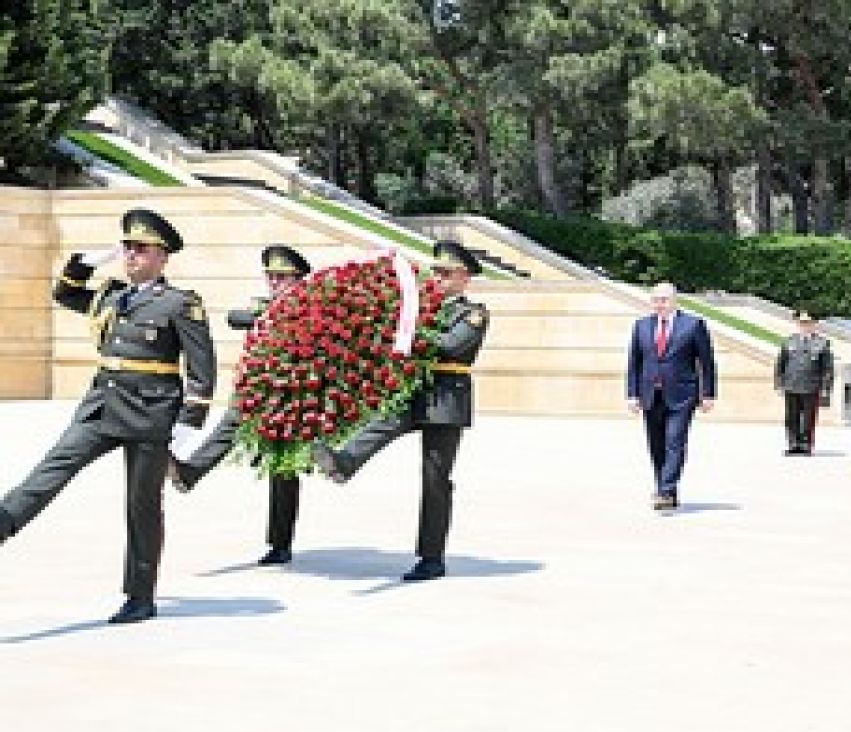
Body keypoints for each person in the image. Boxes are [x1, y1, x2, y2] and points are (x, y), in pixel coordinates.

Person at [0, 209, 215, 624]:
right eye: (128, 248)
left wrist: (188, 428)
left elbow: (202, 373)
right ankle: (6, 520)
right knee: (55, 465)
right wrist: (90, 259)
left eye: (141, 249)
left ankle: (140, 595)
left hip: (150, 414)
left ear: (162, 256)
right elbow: (65, 293)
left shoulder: (180, 304)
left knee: (141, 506)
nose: (132, 255)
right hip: (103, 404)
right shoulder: (112, 295)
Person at [311, 241, 487, 582]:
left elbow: (452, 345)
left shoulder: (473, 313)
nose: (438, 277)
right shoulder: (422, 307)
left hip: (447, 397)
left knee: (435, 478)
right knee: (382, 423)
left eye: (446, 273)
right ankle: (344, 462)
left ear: (464, 277)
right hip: (416, 389)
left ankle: (431, 556)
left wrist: (411, 328)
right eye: (436, 271)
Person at [168, 245, 311, 565]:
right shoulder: (264, 307)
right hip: (253, 389)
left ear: (299, 281)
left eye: (282, 278)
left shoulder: (311, 310)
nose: (274, 283)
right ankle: (189, 472)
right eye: (271, 277)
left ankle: (280, 542)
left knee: (282, 467)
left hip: (290, 396)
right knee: (226, 429)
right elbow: (236, 317)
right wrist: (269, 312)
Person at [625, 282, 717, 510]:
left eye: (664, 300)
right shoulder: (641, 326)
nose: (660, 304)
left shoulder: (693, 325)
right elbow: (634, 362)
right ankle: (667, 489)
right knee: (656, 445)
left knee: (674, 442)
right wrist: (632, 393)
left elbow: (706, 362)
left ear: (675, 300)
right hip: (650, 394)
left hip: (682, 395)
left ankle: (665, 490)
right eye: (656, 299)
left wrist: (708, 393)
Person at [774, 310, 833, 456]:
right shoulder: (789, 341)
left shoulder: (822, 343)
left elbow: (827, 368)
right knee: (791, 417)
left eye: (807, 323)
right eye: (801, 323)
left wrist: (826, 387)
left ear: (814, 325)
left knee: (808, 417)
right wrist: (779, 383)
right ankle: (793, 444)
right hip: (791, 384)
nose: (804, 326)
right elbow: (781, 364)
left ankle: (806, 444)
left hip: (811, 385)